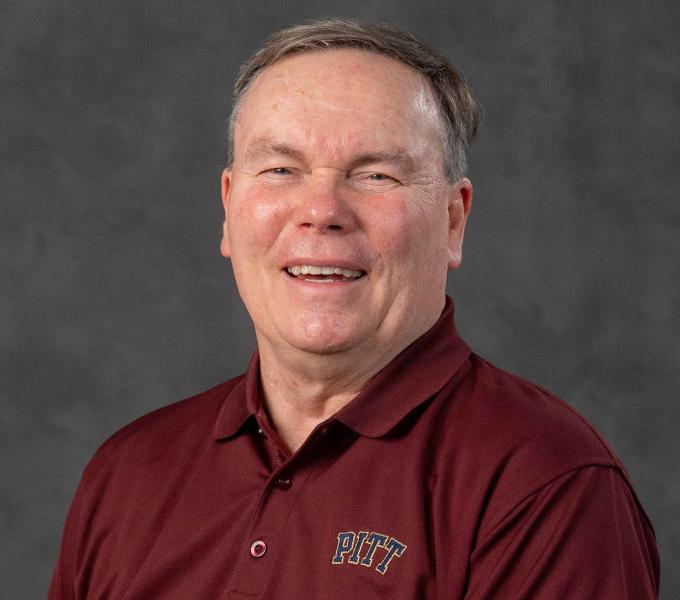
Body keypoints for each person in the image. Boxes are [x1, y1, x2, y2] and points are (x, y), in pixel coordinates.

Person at [49, 19, 660, 599]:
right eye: (281, 169)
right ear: (230, 210)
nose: (322, 210)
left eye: (374, 175)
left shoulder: (546, 485)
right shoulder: (126, 476)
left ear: (453, 221)